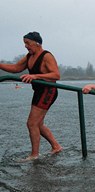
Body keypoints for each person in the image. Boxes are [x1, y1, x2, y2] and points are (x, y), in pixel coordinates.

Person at [0, 31, 62, 161]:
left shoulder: (47, 56)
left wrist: (35, 76)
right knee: (38, 124)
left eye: (27, 43)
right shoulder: (29, 56)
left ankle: (34, 155)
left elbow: (56, 75)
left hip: (48, 91)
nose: (25, 46)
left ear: (37, 43)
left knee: (31, 123)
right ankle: (56, 146)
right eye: (24, 43)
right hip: (38, 91)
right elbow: (16, 67)